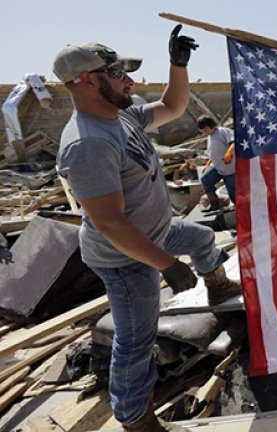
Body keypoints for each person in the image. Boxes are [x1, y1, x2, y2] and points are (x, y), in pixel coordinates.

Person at [54, 25, 240, 432]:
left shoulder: (122, 117)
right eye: (117, 74)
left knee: (203, 236)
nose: (130, 81)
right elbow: (109, 222)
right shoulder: (88, 144)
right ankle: (135, 418)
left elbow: (173, 106)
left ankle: (219, 285)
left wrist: (178, 65)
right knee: (136, 339)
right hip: (124, 256)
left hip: (156, 230)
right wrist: (166, 264)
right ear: (84, 80)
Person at [196, 115, 236, 210]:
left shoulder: (223, 131)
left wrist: (229, 153)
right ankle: (215, 203)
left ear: (210, 125)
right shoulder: (209, 137)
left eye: (204, 128)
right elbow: (212, 153)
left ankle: (238, 209)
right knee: (205, 179)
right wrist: (207, 164)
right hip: (216, 167)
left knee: (232, 191)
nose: (204, 131)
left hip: (229, 168)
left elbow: (234, 142)